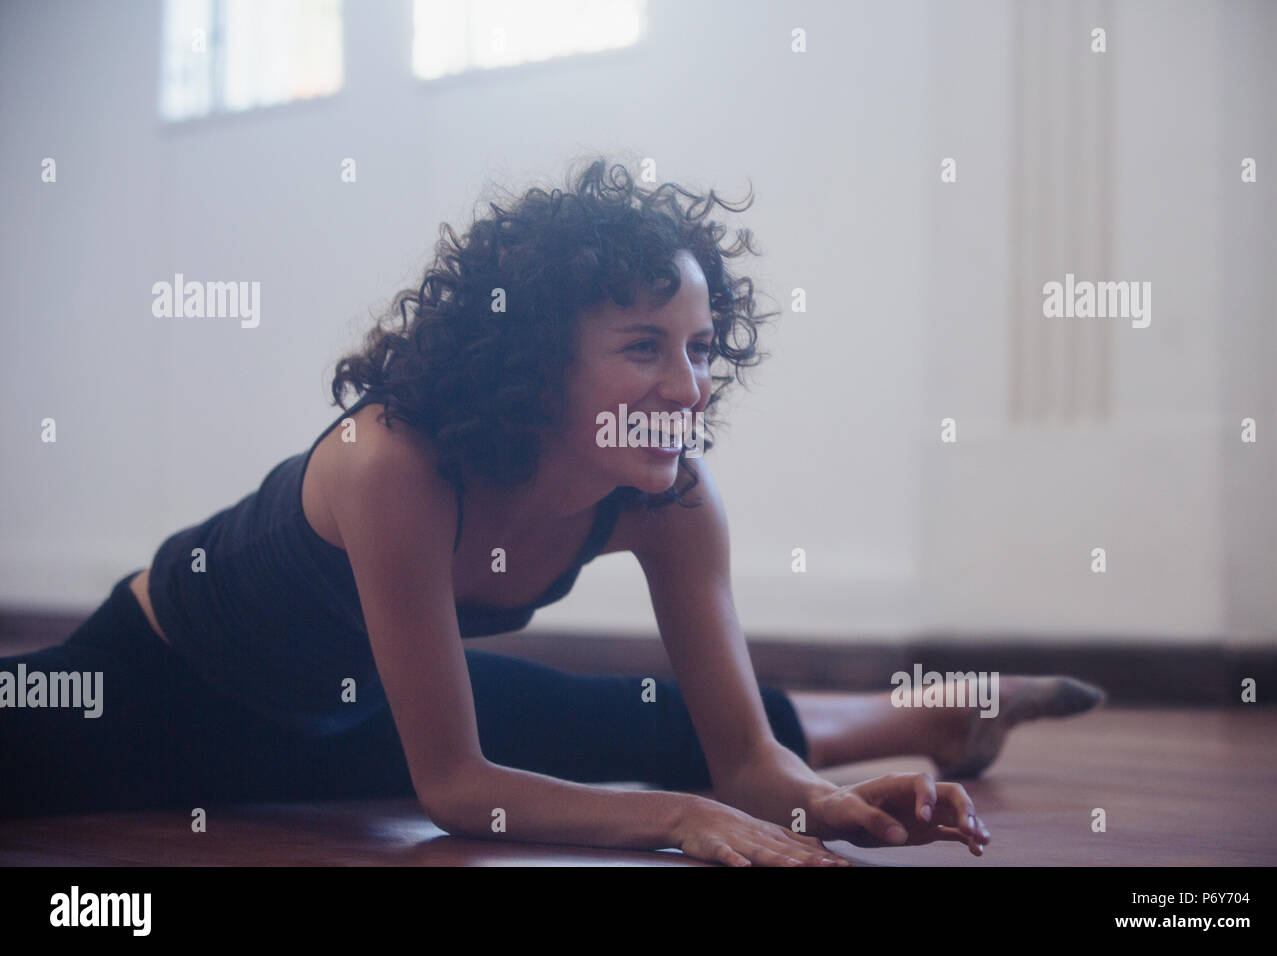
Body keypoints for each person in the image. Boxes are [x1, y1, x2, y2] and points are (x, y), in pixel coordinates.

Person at [0, 159, 1103, 865]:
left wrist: (833, 806)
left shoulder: (674, 501)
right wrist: (676, 818)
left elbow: (745, 768)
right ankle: (910, 710)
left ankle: (920, 721)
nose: (689, 386)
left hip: (356, 704)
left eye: (700, 348)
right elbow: (457, 789)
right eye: (643, 347)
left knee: (632, 719)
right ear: (532, 360)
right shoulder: (394, 461)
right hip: (151, 687)